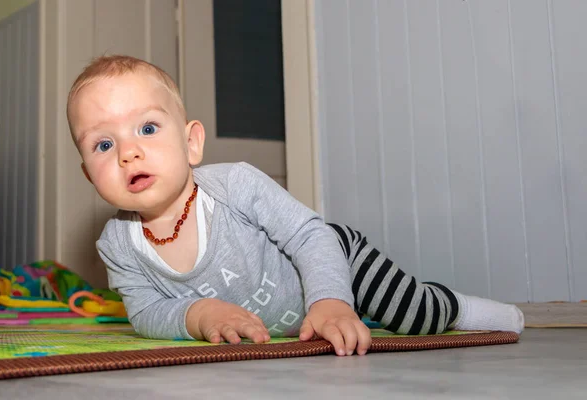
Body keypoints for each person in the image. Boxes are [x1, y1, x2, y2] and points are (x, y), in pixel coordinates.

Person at [66, 55, 524, 357]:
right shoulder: (118, 245)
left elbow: (310, 235)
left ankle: (471, 310)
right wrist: (197, 314)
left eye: (147, 129)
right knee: (343, 330)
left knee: (412, 315)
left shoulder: (235, 186)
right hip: (289, 321)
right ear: (89, 175)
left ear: (191, 143)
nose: (128, 152)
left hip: (334, 259)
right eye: (104, 143)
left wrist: (330, 300)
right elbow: (144, 312)